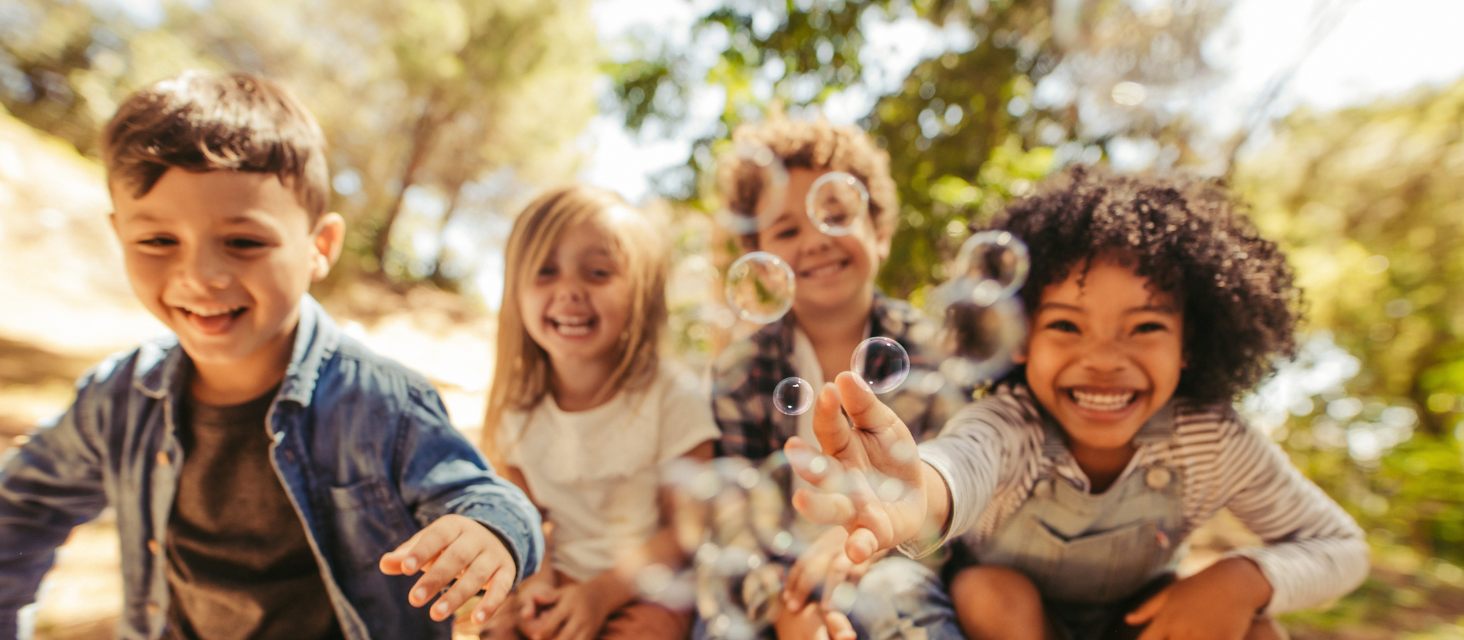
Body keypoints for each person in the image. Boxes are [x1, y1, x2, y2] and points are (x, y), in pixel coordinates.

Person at [0, 71, 543, 640]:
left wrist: (491, 532)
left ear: (319, 247)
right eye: (158, 241)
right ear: (120, 236)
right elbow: (20, 510)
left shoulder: (382, 403)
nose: (200, 275)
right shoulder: (117, 398)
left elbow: (483, 495)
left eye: (244, 242)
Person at [786, 166, 1370, 640]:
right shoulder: (1011, 423)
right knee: (986, 592)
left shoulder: (1211, 439)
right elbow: (962, 461)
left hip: (1137, 623)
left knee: (1256, 628)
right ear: (1018, 337)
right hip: (1008, 623)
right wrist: (917, 490)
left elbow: (1342, 547)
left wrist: (1243, 578)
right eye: (1066, 325)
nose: (1104, 359)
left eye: (1145, 327)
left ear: (1190, 344)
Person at [710, 116, 967, 640]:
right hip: (778, 579)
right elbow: (735, 519)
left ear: (880, 233)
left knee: (894, 597)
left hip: (893, 561)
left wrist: (864, 549)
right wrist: (783, 607)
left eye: (835, 216)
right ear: (762, 263)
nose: (815, 240)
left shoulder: (930, 353)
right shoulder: (741, 372)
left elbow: (947, 497)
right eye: (787, 230)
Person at [478, 185, 719, 640]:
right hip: (556, 576)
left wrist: (601, 595)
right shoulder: (518, 408)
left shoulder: (671, 395)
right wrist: (538, 584)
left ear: (641, 293)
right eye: (545, 271)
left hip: (647, 587)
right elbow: (525, 516)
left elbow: (688, 528)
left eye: (598, 272)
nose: (569, 290)